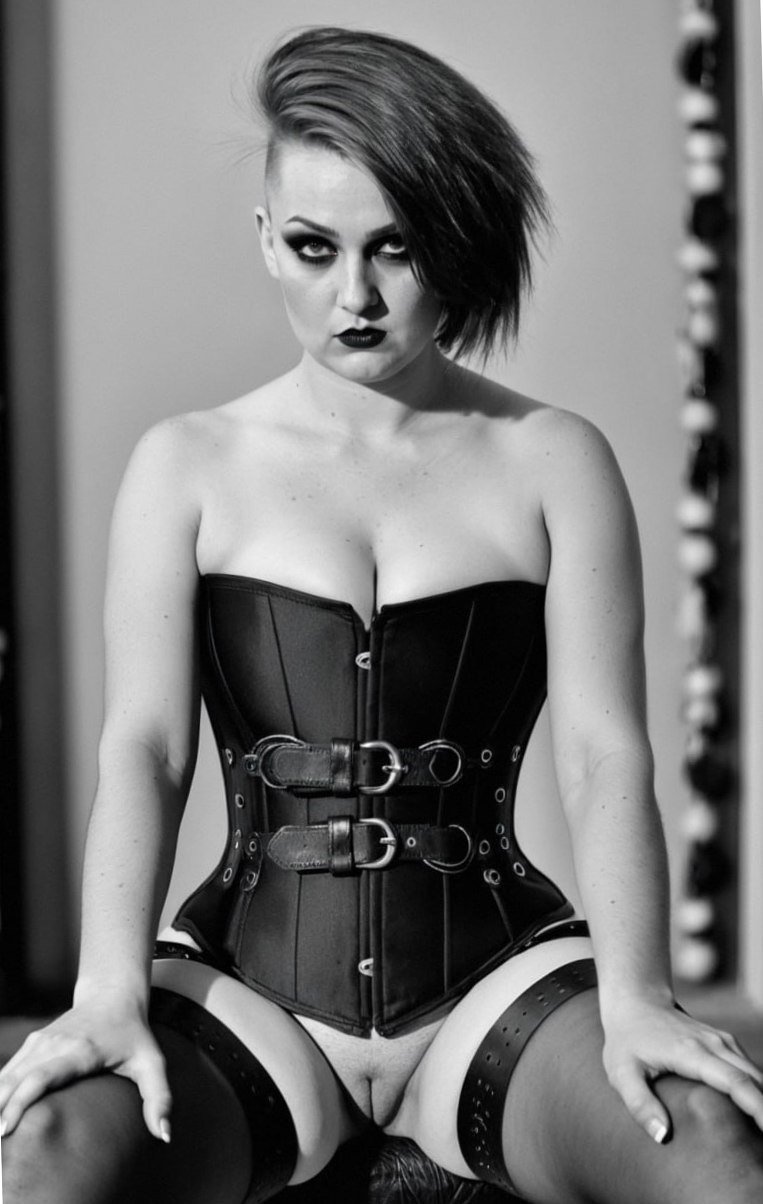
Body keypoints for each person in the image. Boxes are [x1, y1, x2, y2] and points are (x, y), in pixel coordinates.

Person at [1, 25, 762, 1204]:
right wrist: (105, 993)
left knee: (711, 1148)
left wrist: (638, 995)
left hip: (496, 983)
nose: (353, 296)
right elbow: (144, 751)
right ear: (267, 238)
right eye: (315, 247)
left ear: (452, 241)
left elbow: (604, 752)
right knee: (44, 1158)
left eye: (395, 248)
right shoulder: (186, 464)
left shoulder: (553, 458)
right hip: (251, 995)